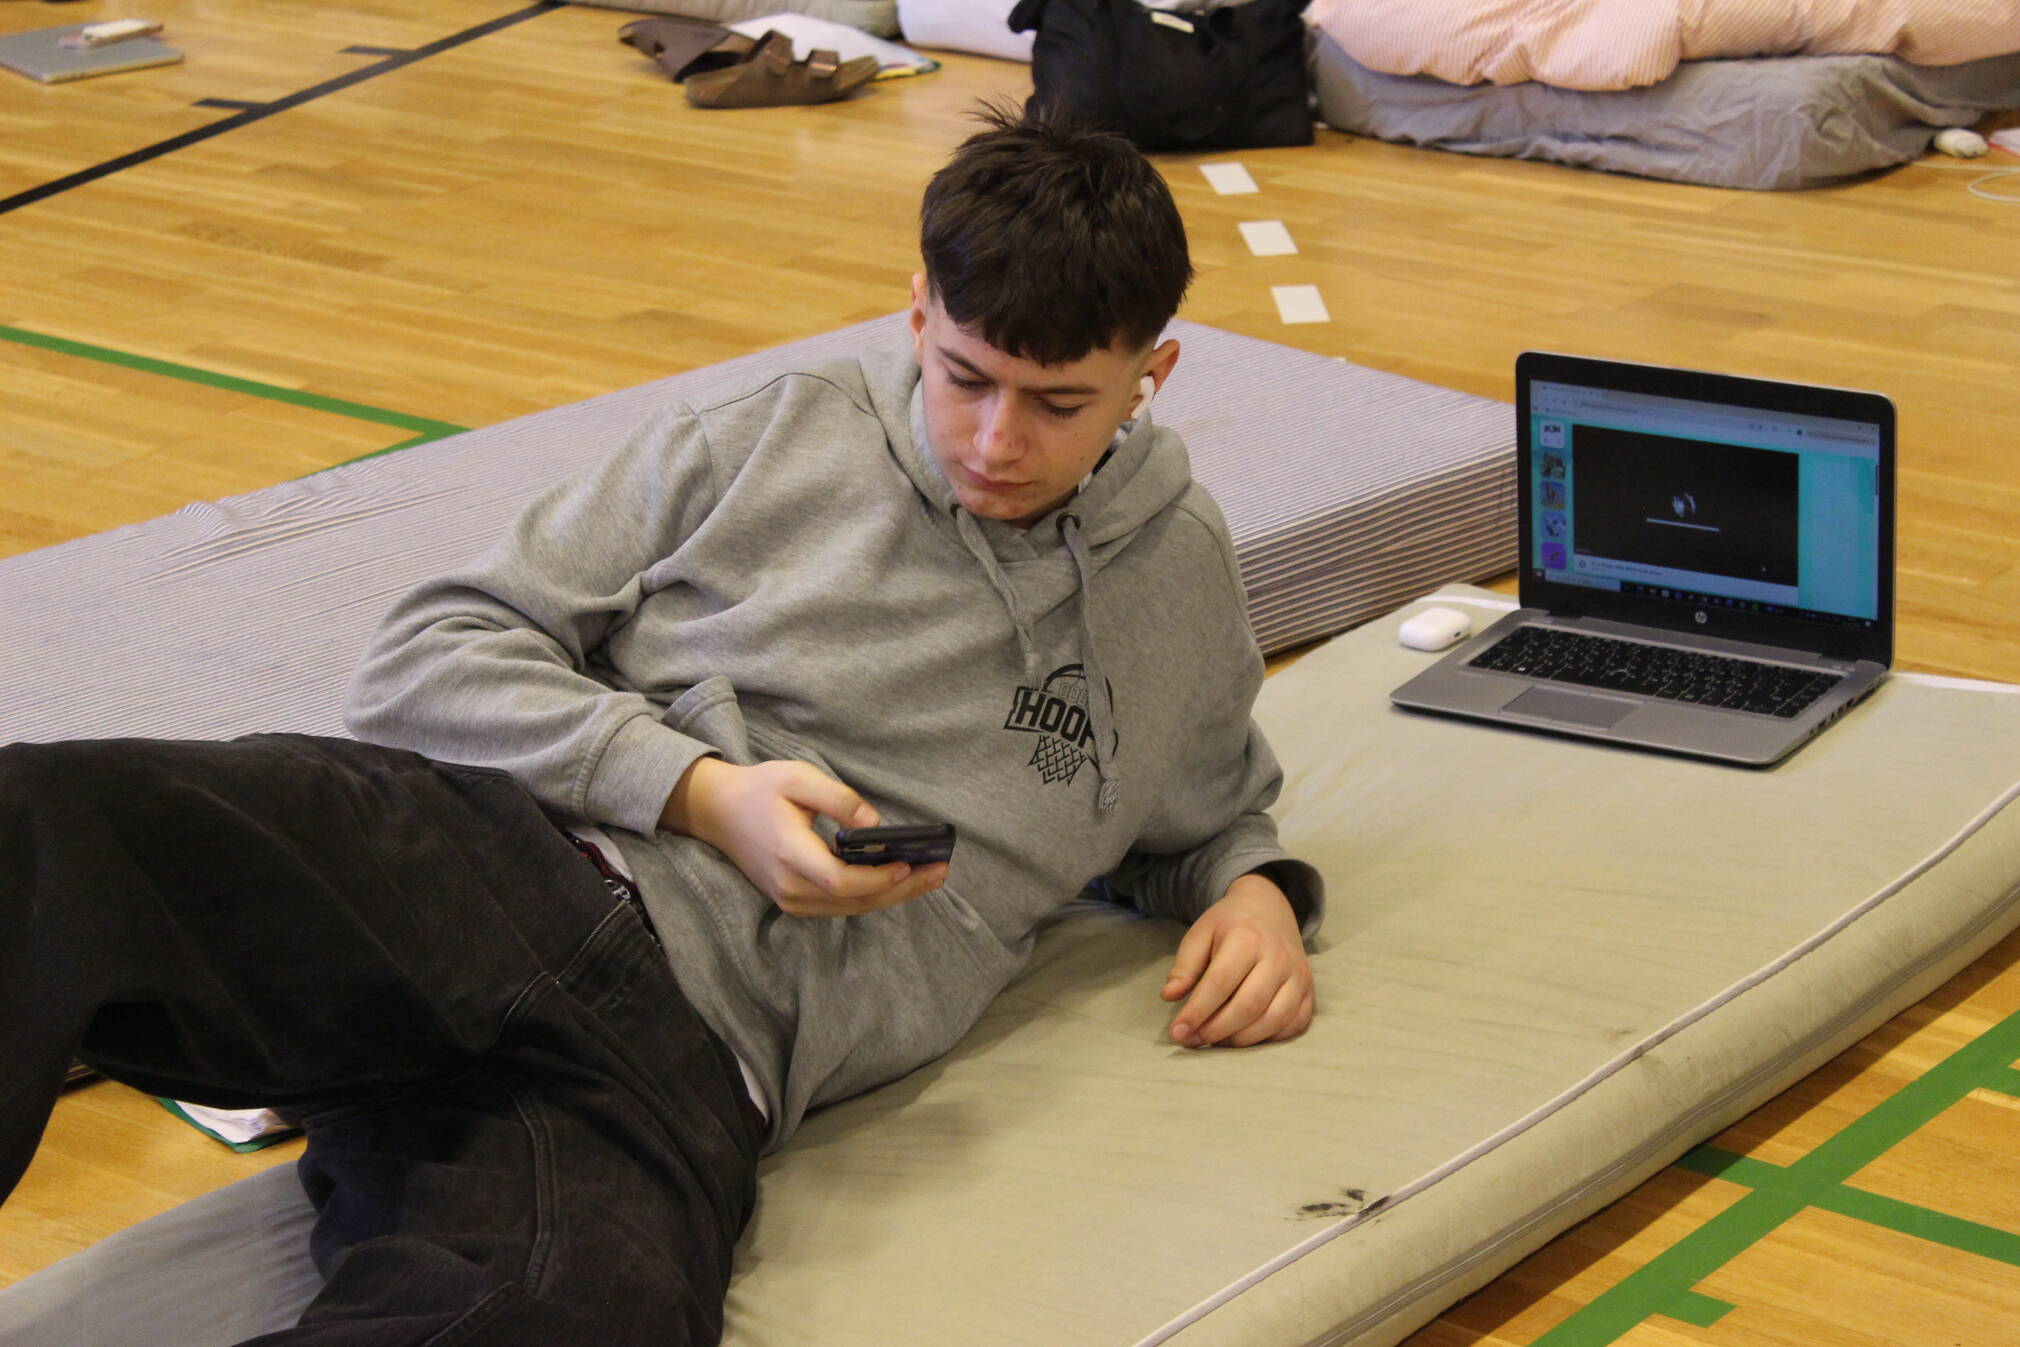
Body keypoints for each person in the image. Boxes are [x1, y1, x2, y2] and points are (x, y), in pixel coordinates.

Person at [0, 102, 1322, 1346]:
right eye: (963, 378)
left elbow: (1208, 818)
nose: (992, 442)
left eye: (1058, 405)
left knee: (565, 1318)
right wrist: (704, 794)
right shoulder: (763, 437)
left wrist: (1255, 892)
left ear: (1151, 374)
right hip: (495, 872)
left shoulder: (1177, 581)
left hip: (680, 1068)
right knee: (45, 828)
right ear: (918, 310)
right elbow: (425, 656)